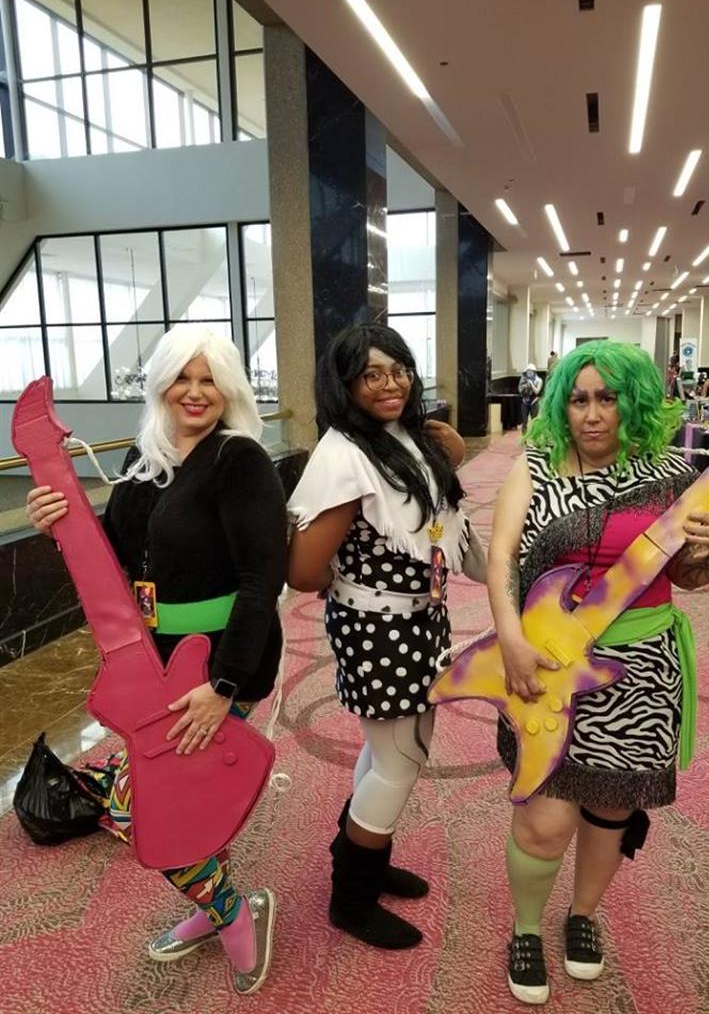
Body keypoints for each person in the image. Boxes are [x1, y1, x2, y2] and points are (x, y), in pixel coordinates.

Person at [25, 325, 287, 995]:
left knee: (142, 809)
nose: (195, 392)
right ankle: (219, 903)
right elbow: (113, 560)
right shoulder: (146, 459)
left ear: (229, 389)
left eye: (209, 380)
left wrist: (223, 686)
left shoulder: (239, 460)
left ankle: (231, 912)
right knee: (180, 797)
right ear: (161, 385)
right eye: (182, 379)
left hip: (222, 664)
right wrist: (59, 525)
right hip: (153, 669)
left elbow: (263, 580)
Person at [487, 340, 709, 1005]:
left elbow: (688, 574)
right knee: (545, 819)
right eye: (579, 400)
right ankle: (525, 927)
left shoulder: (670, 472)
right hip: (549, 666)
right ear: (561, 405)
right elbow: (501, 556)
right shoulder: (535, 465)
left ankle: (582, 916)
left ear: (633, 402)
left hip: (642, 673)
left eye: (608, 398)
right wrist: (509, 638)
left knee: (610, 807)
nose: (593, 414)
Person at [287, 322, 474, 950]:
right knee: (401, 761)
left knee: (386, 753)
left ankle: (362, 849)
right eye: (371, 374)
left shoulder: (400, 438)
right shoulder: (344, 455)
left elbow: (431, 522)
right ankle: (352, 896)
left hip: (416, 619)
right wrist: (359, 587)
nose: (390, 384)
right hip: (379, 626)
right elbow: (304, 570)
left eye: (399, 370)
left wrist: (450, 458)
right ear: (344, 384)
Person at [518, 363, 543, 434]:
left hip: (534, 402)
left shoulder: (539, 380)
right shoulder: (523, 380)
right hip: (525, 401)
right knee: (524, 421)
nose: (529, 374)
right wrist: (525, 386)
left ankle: (534, 436)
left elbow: (537, 391)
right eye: (528, 372)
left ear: (534, 372)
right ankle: (524, 436)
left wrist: (531, 384)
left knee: (534, 421)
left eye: (531, 372)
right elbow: (520, 390)